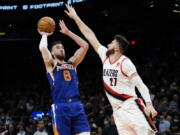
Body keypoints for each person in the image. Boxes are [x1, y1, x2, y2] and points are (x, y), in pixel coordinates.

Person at [64, 5, 158, 135]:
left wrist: (149, 104)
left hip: (131, 106)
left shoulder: (125, 63)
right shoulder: (105, 56)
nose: (108, 44)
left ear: (117, 48)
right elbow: (91, 36)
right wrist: (76, 18)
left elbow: (141, 85)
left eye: (111, 43)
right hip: (118, 112)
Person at [38, 20, 90, 135]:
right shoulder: (51, 65)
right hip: (60, 106)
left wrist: (68, 32)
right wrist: (45, 35)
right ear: (52, 52)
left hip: (77, 105)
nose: (61, 49)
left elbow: (85, 46)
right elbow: (42, 48)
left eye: (62, 47)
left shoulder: (72, 63)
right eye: (57, 47)